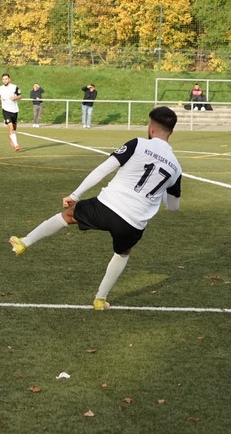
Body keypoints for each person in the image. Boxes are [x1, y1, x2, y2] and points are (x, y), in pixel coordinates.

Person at [9, 106, 183, 310]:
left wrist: (75, 195)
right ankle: (100, 299)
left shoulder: (138, 144)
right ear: (171, 131)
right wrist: (161, 191)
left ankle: (24, 242)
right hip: (133, 222)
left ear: (151, 128)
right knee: (123, 252)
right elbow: (173, 207)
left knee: (68, 215)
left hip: (107, 206)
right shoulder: (176, 168)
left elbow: (104, 169)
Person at [0, 73, 22, 152]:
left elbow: (20, 96)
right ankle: (16, 145)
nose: (5, 80)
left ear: (9, 79)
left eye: (6, 79)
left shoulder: (14, 87)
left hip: (14, 110)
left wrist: (15, 97)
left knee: (14, 128)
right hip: (6, 110)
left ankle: (11, 137)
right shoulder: (0, 88)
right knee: (11, 128)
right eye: (3, 79)